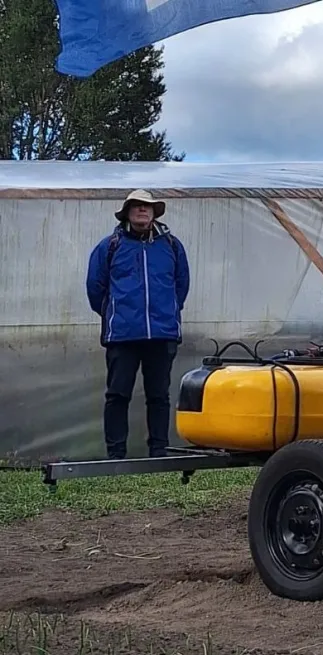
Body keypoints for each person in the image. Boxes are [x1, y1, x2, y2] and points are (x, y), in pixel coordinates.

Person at [85, 190, 191, 459]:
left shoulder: (172, 246)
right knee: (118, 394)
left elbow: (181, 285)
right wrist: (115, 315)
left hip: (162, 333)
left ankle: (158, 450)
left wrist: (166, 312)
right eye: (137, 206)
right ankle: (116, 454)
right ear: (127, 213)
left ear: (155, 213)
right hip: (122, 335)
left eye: (147, 206)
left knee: (159, 395)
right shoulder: (109, 246)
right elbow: (95, 288)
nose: (142, 210)